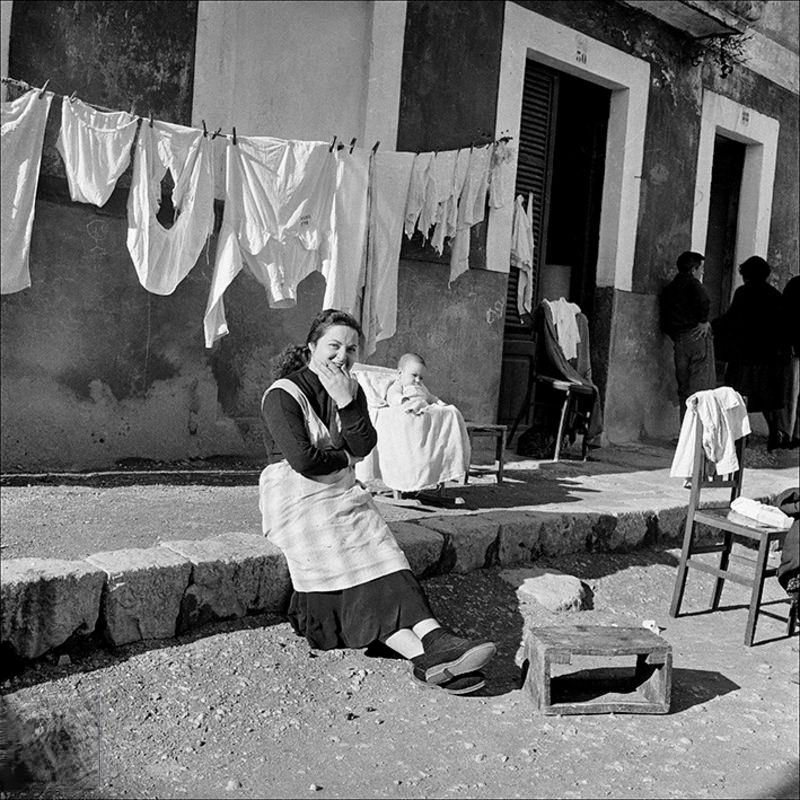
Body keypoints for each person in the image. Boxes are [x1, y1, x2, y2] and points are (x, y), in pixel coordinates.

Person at [260, 309, 496, 694]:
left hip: (339, 494)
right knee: (354, 559)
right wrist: (346, 458)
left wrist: (346, 404)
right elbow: (303, 461)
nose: (342, 357)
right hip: (295, 501)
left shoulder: (350, 391)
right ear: (311, 348)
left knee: (380, 551)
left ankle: (431, 649)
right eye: (333, 347)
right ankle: (434, 647)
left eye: (351, 349)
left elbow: (365, 445)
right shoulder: (283, 395)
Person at [713, 256, 789, 451]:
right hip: (769, 357)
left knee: (737, 396)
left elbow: (731, 319)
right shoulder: (775, 295)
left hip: (745, 356)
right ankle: (775, 434)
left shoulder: (743, 293)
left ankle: (737, 438)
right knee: (768, 400)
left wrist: (711, 325)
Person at [660, 251, 716, 421]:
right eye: (701, 269)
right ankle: (697, 432)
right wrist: (703, 321)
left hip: (679, 340)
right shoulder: (693, 284)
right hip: (696, 336)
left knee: (684, 387)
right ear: (693, 269)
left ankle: (685, 430)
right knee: (701, 387)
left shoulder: (670, 288)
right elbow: (705, 301)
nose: (702, 273)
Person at [780, 275, 800, 448]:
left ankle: (787, 432)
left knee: (791, 394)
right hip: (795, 347)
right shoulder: (795, 285)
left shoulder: (794, 284)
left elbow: (784, 316)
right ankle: (792, 433)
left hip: (795, 349)